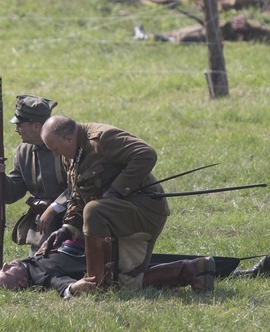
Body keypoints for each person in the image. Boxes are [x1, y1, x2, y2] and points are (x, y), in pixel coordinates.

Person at [40, 115, 172, 292]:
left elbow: (146, 154)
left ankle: (98, 284)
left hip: (144, 210)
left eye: (55, 149)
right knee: (127, 283)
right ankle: (196, 269)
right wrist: (68, 229)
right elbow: (78, 195)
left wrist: (115, 191)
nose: (55, 154)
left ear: (69, 139)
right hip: (117, 216)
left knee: (94, 209)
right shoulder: (70, 155)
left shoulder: (102, 139)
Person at [0, 239, 270, 298]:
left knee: (174, 258)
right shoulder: (38, 275)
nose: (6, 264)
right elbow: (59, 283)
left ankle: (237, 270)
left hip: (110, 246)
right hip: (116, 265)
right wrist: (72, 288)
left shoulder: (31, 261)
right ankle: (246, 274)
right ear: (19, 285)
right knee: (173, 267)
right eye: (6, 272)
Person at [0, 95, 68, 254]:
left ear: (36, 126)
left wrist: (54, 207)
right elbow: (13, 193)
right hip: (43, 227)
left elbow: (78, 186)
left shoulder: (65, 146)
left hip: (71, 221)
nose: (16, 129)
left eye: (20, 124)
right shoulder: (24, 151)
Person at [134, 15, 270, 44]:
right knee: (184, 31)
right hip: (221, 27)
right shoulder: (267, 30)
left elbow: (244, 37)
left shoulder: (268, 40)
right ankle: (147, 35)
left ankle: (145, 37)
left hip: (221, 36)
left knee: (185, 37)